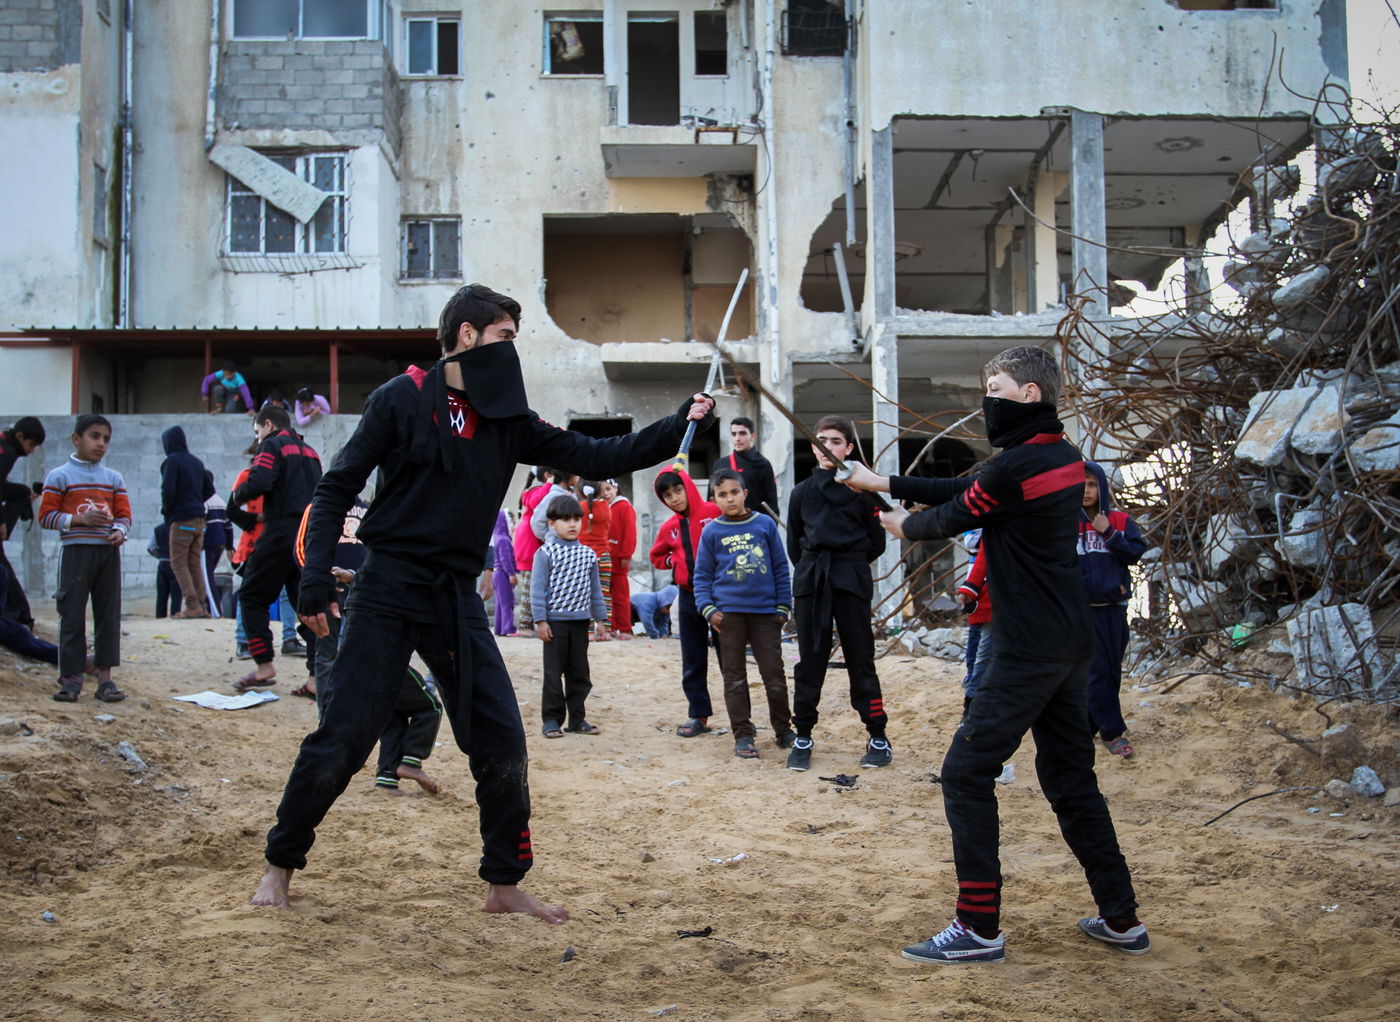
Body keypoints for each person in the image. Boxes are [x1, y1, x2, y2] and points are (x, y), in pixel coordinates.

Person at [248, 282, 716, 921]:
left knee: (500, 739)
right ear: (466, 336)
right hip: (388, 587)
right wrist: (311, 581)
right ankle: (279, 866)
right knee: (344, 738)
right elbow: (335, 490)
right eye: (503, 337)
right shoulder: (402, 397)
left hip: (454, 596)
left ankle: (503, 883)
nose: (511, 351)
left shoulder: (506, 417)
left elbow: (599, 452)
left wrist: (679, 420)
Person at [842, 345, 1147, 965]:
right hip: (1069, 645)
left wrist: (902, 522)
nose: (989, 399)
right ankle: (1121, 918)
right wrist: (883, 483)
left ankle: (977, 927)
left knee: (964, 774)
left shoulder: (1017, 467)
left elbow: (953, 512)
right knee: (1071, 781)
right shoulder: (1061, 457)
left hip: (1026, 648)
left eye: (997, 387)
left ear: (1029, 395)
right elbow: (970, 486)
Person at [784, 415, 891, 772]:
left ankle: (877, 735)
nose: (827, 447)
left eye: (835, 441)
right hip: (813, 580)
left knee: (861, 658)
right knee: (810, 661)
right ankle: (803, 736)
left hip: (851, 578)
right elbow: (794, 545)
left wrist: (849, 565)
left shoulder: (864, 492)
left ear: (848, 448)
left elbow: (876, 543)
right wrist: (814, 571)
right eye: (821, 441)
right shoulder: (801, 493)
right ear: (813, 447)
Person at [693, 467, 793, 759]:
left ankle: (784, 730)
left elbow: (779, 567)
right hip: (729, 617)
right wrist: (709, 610)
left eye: (734, 492)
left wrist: (783, 607)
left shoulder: (764, 525)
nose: (729, 499)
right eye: (722, 495)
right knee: (734, 678)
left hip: (766, 615)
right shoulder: (712, 531)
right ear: (714, 499)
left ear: (745, 493)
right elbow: (702, 577)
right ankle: (743, 735)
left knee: (774, 674)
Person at [229, 405, 322, 690]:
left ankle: (264, 665)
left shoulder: (272, 445)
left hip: (280, 533)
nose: (258, 438)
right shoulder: (311, 452)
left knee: (252, 595)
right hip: (308, 535)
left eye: (257, 431)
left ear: (267, 424)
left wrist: (237, 496)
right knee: (307, 606)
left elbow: (260, 480)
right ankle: (316, 677)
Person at [39, 414, 130, 703]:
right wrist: (78, 519)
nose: (101, 444)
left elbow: (125, 516)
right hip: (76, 552)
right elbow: (46, 517)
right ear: (76, 439)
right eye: (94, 436)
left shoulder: (113, 478)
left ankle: (105, 679)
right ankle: (71, 679)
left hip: (107, 552)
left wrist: (119, 531)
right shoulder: (59, 476)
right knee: (72, 613)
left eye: (106, 439)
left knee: (108, 614)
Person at [1078, 461, 1149, 760]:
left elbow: (1135, 553)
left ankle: (1088, 726)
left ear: (1102, 488)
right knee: (1097, 671)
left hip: (1114, 609)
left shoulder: (1119, 521)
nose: (1086, 490)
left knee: (1112, 670)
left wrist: (1108, 533)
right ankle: (1112, 732)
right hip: (1083, 612)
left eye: (1092, 484)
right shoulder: (1065, 523)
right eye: (1081, 484)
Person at [649, 466, 722, 738]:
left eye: (678, 490)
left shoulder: (714, 514)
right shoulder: (669, 528)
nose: (675, 498)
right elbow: (656, 556)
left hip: (719, 595)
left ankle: (741, 717)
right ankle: (698, 715)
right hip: (689, 597)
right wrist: (674, 562)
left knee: (729, 658)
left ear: (688, 487)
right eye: (668, 495)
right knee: (693, 657)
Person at [531, 494, 608, 738]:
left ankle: (577, 719)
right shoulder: (545, 553)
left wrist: (601, 621)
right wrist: (540, 620)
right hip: (555, 623)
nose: (573, 524)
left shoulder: (588, 555)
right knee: (553, 674)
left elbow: (595, 590)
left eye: (577, 519)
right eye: (565, 520)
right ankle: (552, 720)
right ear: (552, 523)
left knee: (579, 673)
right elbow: (537, 588)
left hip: (581, 622)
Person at [160, 426, 214, 619]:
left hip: (181, 519)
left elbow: (168, 490)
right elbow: (209, 490)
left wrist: (168, 511)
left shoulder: (171, 461)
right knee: (194, 564)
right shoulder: (197, 463)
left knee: (178, 563)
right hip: (200, 520)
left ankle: (192, 606)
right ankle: (202, 606)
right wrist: (195, 500)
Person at [0, 415, 45, 630]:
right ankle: (19, 617)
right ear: (19, 436)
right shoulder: (6, 452)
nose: (32, 450)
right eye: (31, 444)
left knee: (22, 492)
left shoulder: (4, 445)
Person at [512, 468, 554, 633]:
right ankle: (524, 625)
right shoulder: (536, 490)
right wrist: (549, 484)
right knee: (529, 587)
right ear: (546, 475)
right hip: (529, 542)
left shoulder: (529, 490)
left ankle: (526, 624)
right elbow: (537, 502)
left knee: (529, 586)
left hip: (526, 540)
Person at [721, 416, 779, 519]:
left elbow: (771, 502)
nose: (737, 438)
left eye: (742, 433)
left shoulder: (763, 464)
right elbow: (711, 502)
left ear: (753, 436)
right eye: (734, 434)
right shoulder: (721, 464)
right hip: (726, 526)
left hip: (755, 525)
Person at [576, 480, 612, 640]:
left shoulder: (579, 508)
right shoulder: (606, 507)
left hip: (583, 556)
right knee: (604, 593)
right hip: (604, 555)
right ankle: (606, 630)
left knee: (585, 594)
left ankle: (588, 631)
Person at [600, 478, 636, 640]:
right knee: (607, 595)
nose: (606, 494)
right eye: (603, 491)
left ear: (616, 487)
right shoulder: (605, 507)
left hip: (619, 559)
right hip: (606, 559)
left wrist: (625, 555)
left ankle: (625, 628)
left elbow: (630, 533)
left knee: (621, 596)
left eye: (608, 489)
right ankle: (613, 627)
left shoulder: (624, 506)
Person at [203, 473, 230, 617]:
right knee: (208, 576)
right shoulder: (220, 501)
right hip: (220, 544)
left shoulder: (204, 502)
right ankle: (211, 609)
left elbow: (202, 525)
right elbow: (229, 526)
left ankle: (214, 611)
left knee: (206, 578)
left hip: (207, 544)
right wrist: (229, 545)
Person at [490, 510, 517, 636]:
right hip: (502, 574)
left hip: (496, 573)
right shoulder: (504, 540)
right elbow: (505, 559)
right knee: (507, 602)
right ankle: (508, 628)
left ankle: (499, 628)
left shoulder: (496, 538)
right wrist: (511, 573)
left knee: (500, 603)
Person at [148, 522, 183, 618]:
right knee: (176, 594)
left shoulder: (158, 529)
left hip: (163, 563)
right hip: (177, 564)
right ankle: (175, 615)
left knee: (161, 594)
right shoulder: (181, 528)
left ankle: (160, 617)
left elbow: (151, 548)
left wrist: (160, 556)